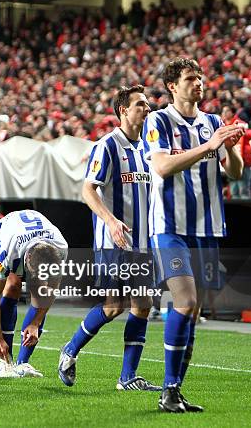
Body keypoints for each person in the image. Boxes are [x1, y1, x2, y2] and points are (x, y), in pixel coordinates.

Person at [143, 58, 244, 413]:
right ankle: (168, 390)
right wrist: (210, 145)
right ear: (173, 85)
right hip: (170, 227)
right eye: (190, 78)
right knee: (184, 302)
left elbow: (234, 171)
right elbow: (162, 166)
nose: (198, 83)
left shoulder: (214, 122)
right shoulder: (157, 120)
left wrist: (230, 146)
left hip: (207, 227)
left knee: (194, 308)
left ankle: (176, 391)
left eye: (200, 78)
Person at [58, 85, 160, 392]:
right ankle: (70, 350)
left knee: (142, 304)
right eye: (141, 104)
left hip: (142, 241)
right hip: (113, 240)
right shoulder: (108, 145)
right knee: (115, 305)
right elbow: (88, 189)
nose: (147, 108)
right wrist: (111, 220)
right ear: (124, 110)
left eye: (147, 104)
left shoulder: (148, 148)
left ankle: (127, 377)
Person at [0, 210, 68, 378]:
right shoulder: (7, 254)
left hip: (33, 234)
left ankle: (23, 362)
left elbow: (51, 289)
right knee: (13, 285)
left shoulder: (60, 248)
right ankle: (5, 363)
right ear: (26, 261)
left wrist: (36, 323)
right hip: (2, 233)